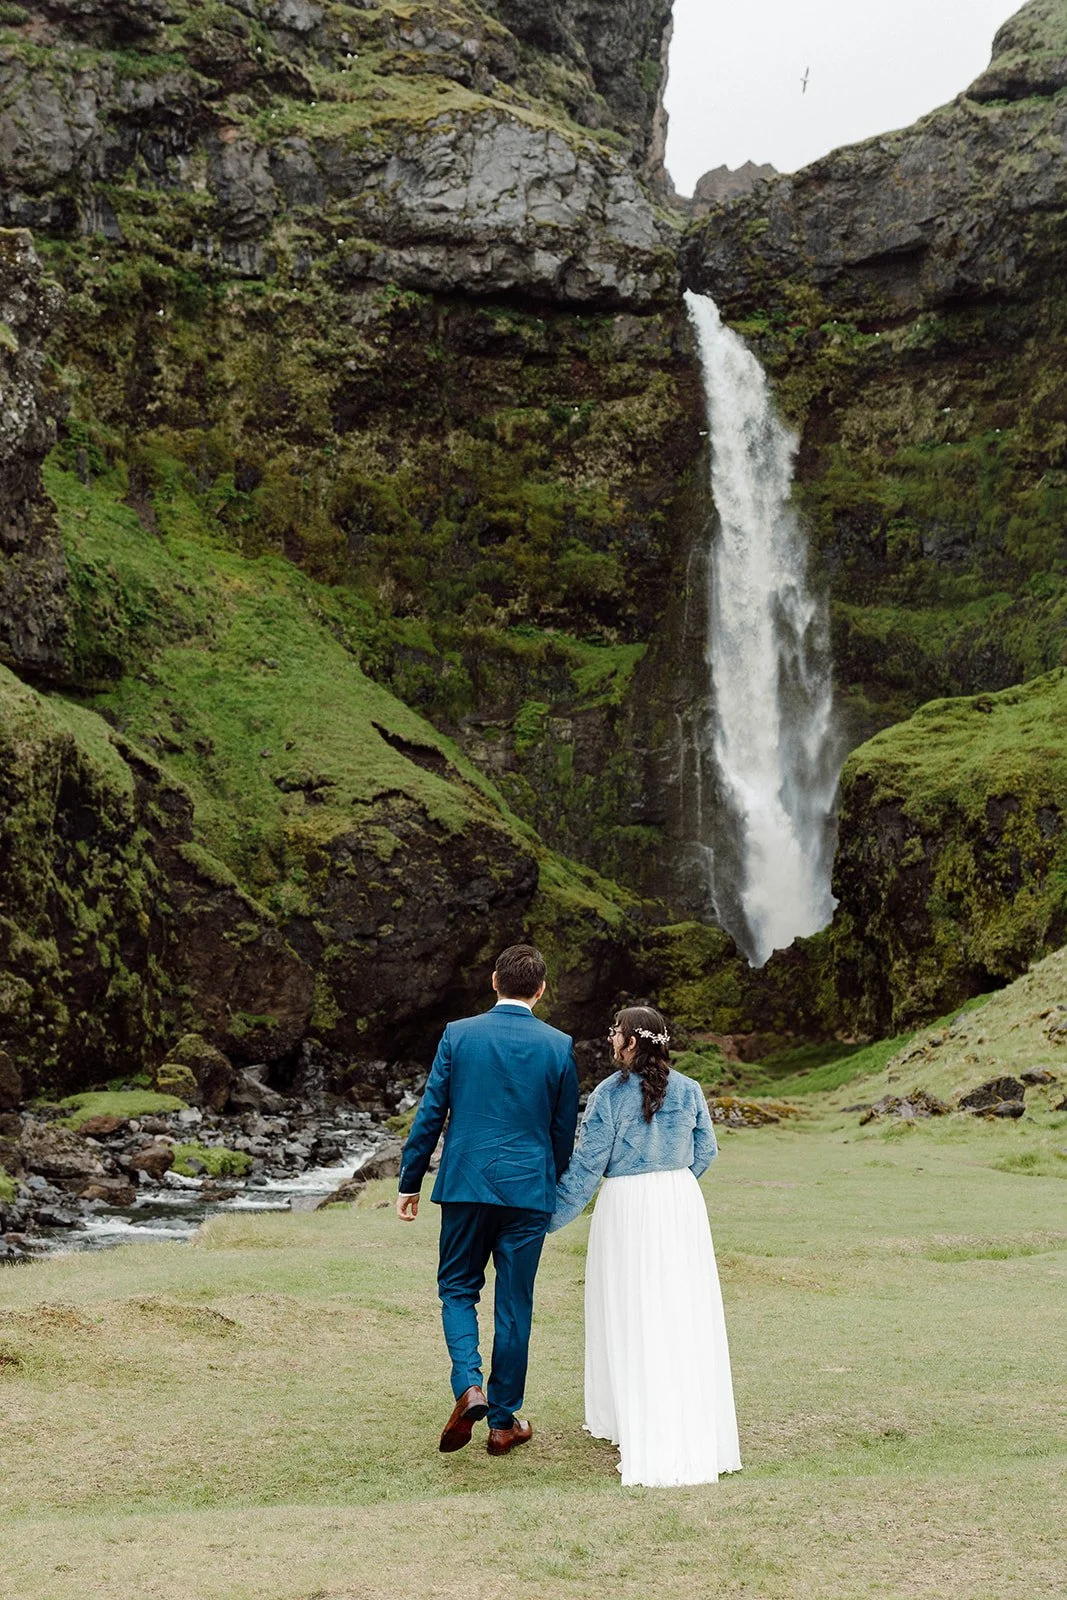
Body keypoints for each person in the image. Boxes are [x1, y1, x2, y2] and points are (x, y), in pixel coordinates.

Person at [397, 943, 580, 1456]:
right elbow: (563, 1129)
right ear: (540, 990)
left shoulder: (459, 1034)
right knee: (514, 1304)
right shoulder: (559, 1045)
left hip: (465, 1185)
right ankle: (502, 1424)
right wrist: (550, 1181)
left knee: (457, 1288)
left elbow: (430, 1114)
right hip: (529, 1191)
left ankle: (468, 1386)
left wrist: (410, 1181)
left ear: (493, 979)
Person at [548, 1004, 741, 1488]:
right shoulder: (691, 1089)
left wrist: (545, 1220)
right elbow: (707, 1151)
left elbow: (588, 1169)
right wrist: (674, 1187)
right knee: (679, 1311)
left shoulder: (608, 1097)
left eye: (615, 1031)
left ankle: (636, 1418)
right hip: (679, 1206)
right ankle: (681, 1416)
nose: (610, 1038)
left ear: (631, 1041)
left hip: (628, 1210)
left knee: (632, 1311)